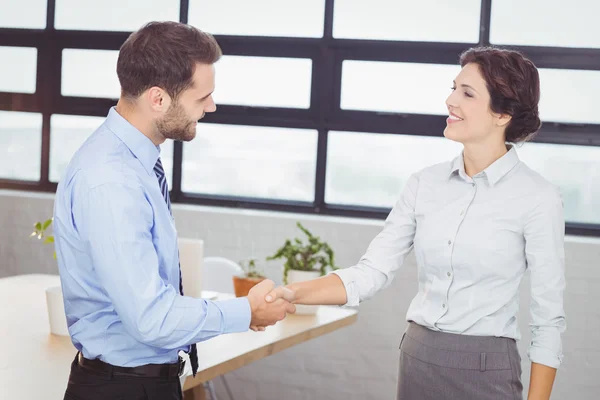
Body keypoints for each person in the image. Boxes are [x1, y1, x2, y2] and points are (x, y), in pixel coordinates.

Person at [264, 47, 566, 400]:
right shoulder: (424, 183)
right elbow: (372, 272)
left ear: (502, 113)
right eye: (453, 88)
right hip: (418, 358)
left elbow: (549, 319)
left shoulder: (537, 197)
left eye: (467, 93)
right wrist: (292, 292)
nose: (450, 100)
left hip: (488, 370)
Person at [53, 21, 295, 400]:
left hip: (142, 381)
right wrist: (245, 312)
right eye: (202, 98)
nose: (211, 106)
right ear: (158, 99)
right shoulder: (111, 179)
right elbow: (152, 318)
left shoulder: (136, 164)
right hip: (122, 388)